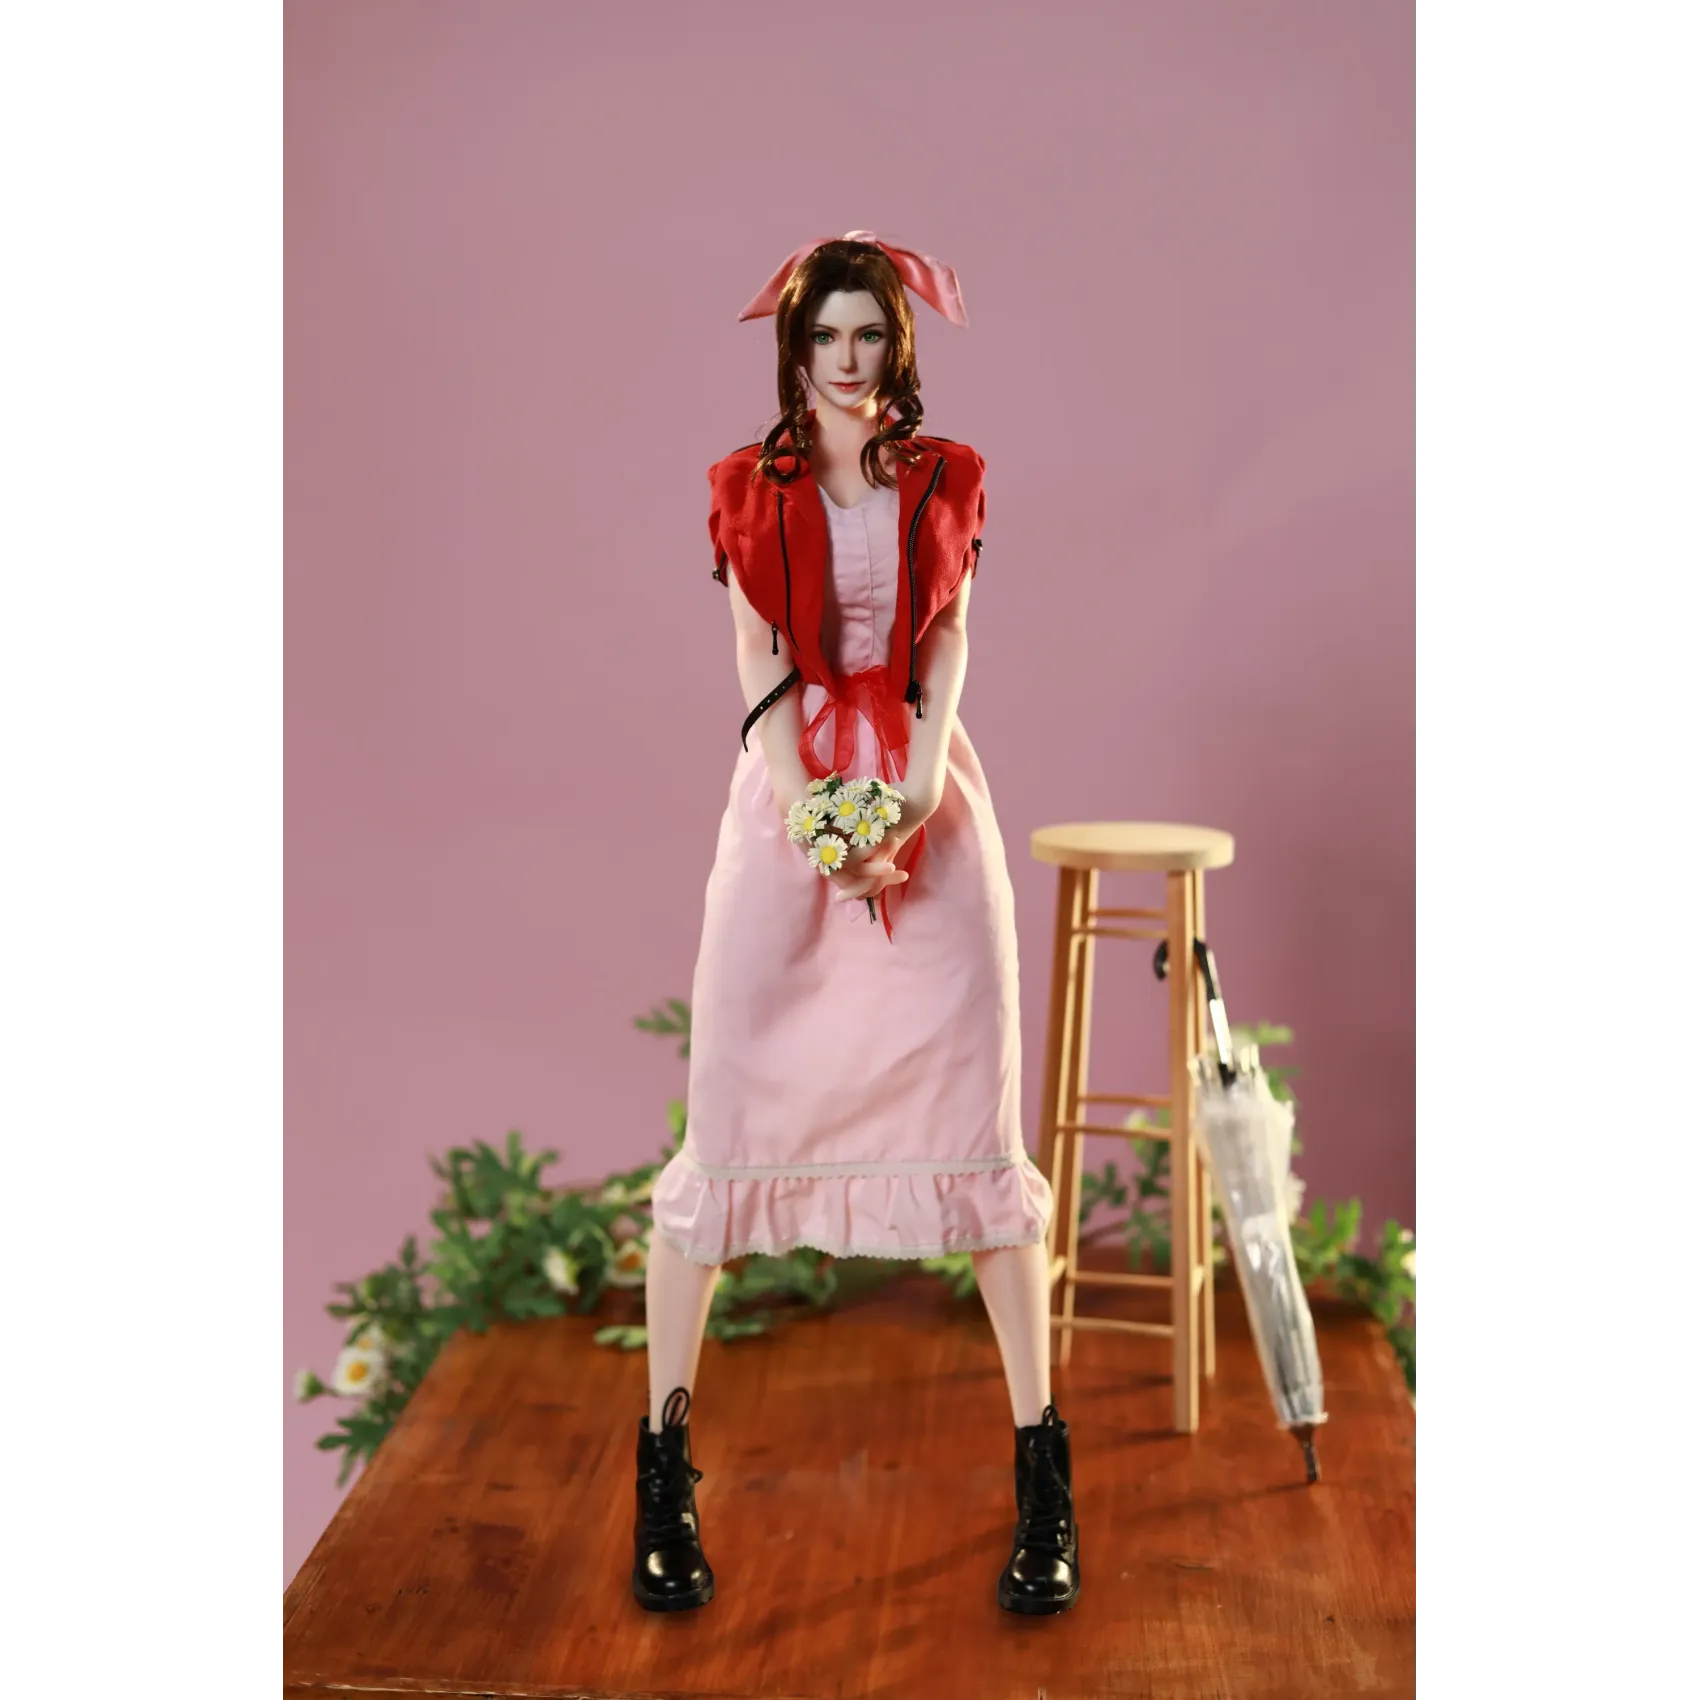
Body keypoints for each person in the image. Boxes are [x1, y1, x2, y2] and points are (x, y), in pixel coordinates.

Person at [632, 234, 1080, 1618]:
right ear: (795, 348)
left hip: (927, 804)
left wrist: (918, 793)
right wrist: (819, 826)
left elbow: (945, 647)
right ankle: (662, 1475)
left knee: (977, 1130)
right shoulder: (746, 486)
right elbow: (760, 669)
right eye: (824, 335)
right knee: (727, 1132)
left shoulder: (951, 477)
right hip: (792, 806)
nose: (846, 359)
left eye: (869, 335)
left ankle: (1044, 1479)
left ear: (899, 346)